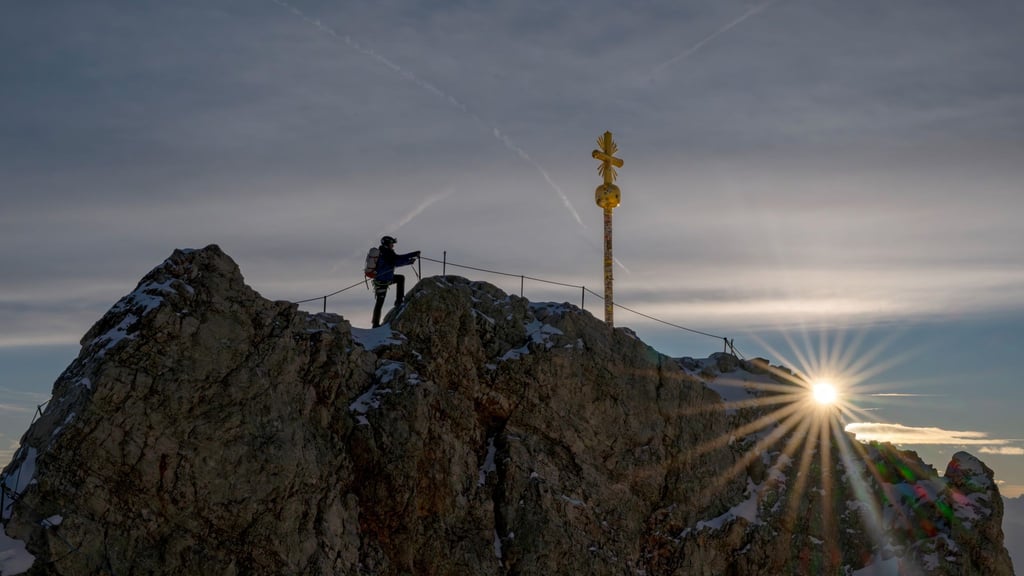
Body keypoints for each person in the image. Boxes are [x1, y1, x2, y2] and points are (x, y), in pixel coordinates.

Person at [371, 235, 419, 328]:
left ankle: (375, 323)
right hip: (383, 280)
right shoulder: (386, 253)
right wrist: (410, 258)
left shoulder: (386, 252)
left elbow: (397, 259)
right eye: (392, 243)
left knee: (380, 301)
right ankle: (398, 301)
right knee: (380, 301)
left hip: (382, 279)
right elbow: (396, 261)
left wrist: (410, 258)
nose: (393, 245)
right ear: (387, 244)